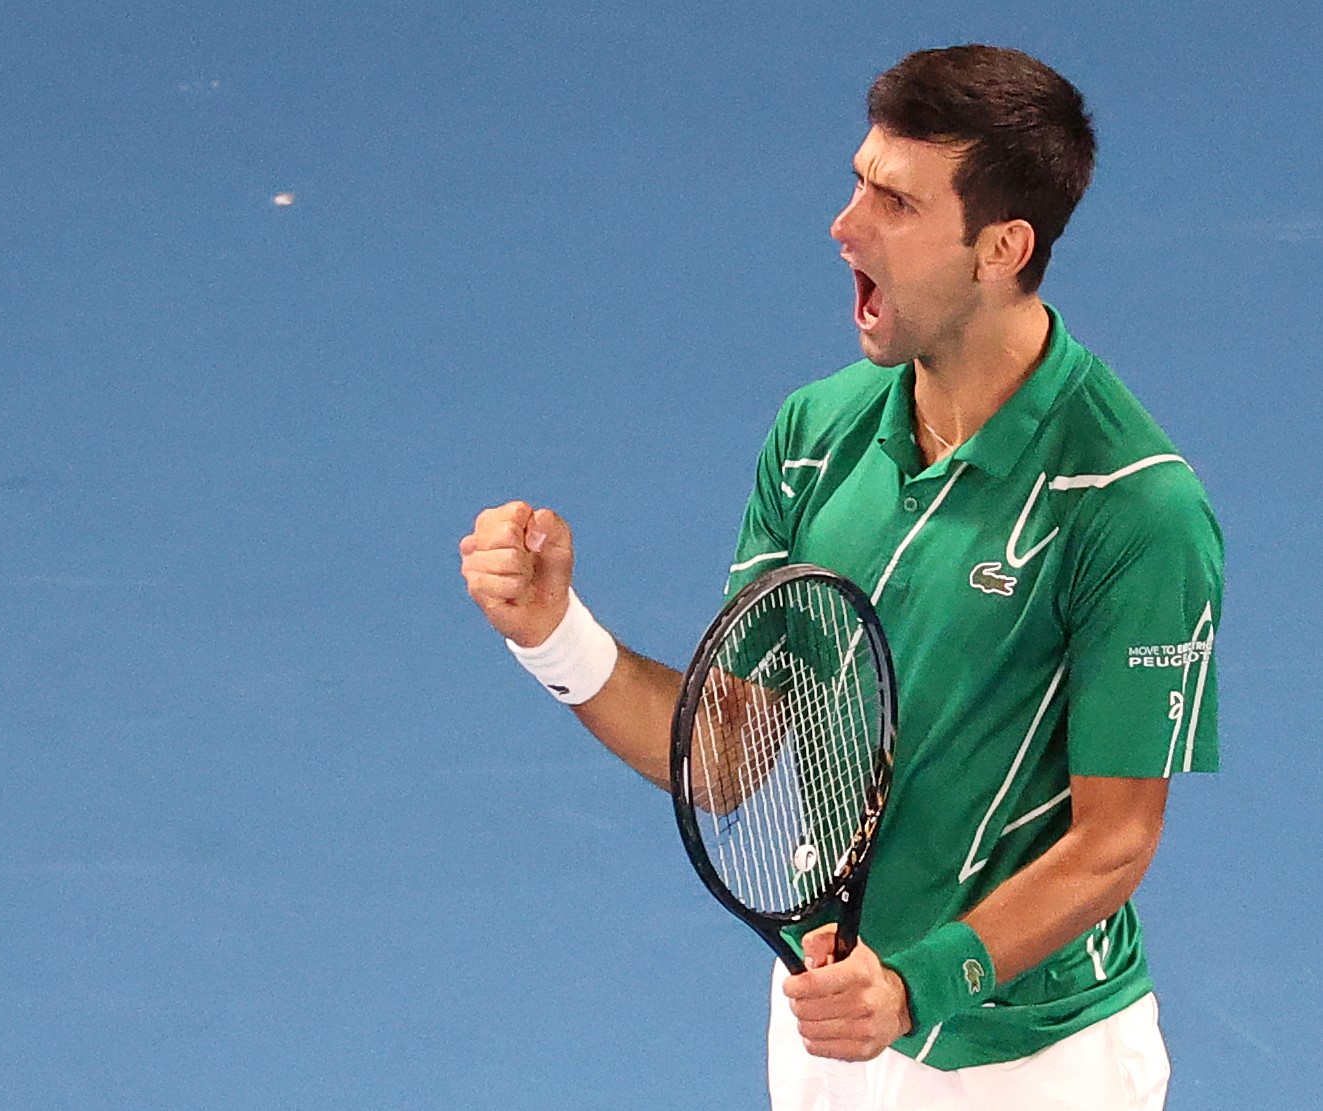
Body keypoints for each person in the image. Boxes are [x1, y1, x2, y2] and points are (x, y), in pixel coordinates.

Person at [458, 44, 1221, 1110]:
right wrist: (554, 631)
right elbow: (724, 760)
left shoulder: (1131, 506)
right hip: (831, 1019)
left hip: (1036, 1065)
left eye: (894, 205)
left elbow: (1112, 841)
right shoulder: (813, 434)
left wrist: (914, 985)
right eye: (856, 180)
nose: (842, 225)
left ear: (1000, 248)